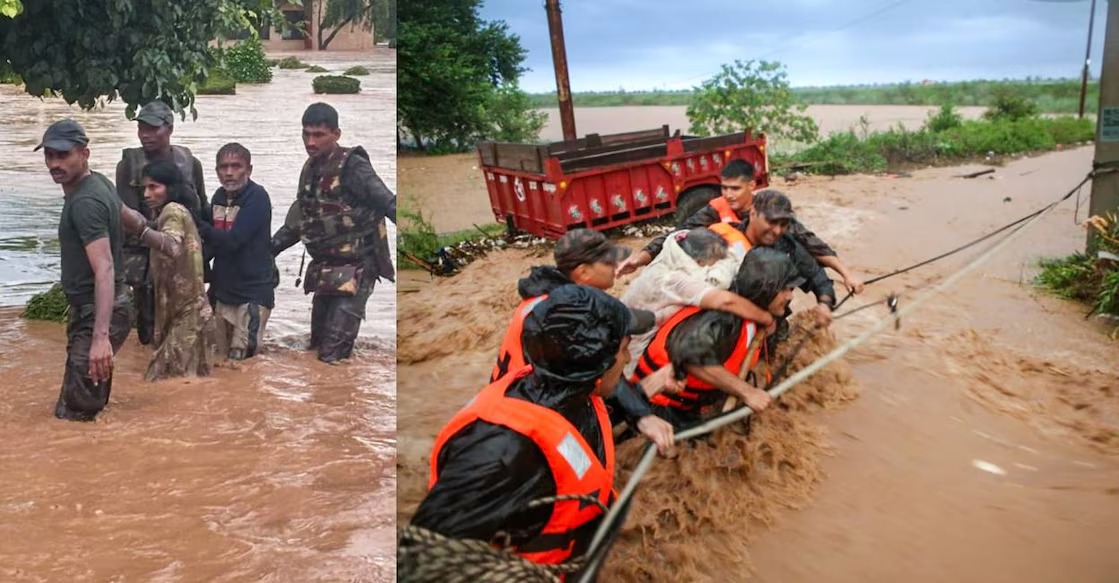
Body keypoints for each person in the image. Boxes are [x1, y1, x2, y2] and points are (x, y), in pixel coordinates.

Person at [407, 284, 674, 576]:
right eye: (623, 350)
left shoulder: (575, 393)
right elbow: (421, 564)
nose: (626, 360)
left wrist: (642, 409)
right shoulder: (501, 454)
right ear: (596, 365)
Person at [615, 159, 865, 295]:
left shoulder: (772, 213)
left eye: (735, 188)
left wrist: (846, 274)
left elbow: (812, 243)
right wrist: (642, 258)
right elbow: (678, 235)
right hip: (728, 280)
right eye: (724, 188)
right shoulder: (715, 209)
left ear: (751, 186)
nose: (729, 194)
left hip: (765, 280)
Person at [270, 103, 396, 363]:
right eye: (306, 134)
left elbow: (389, 203)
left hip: (358, 267)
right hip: (326, 269)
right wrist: (269, 250)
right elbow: (300, 222)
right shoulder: (310, 169)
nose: (310, 142)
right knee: (315, 347)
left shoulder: (353, 166)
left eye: (318, 135)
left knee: (332, 357)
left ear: (336, 134)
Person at [631, 247, 805, 430]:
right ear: (765, 289)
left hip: (690, 402)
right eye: (784, 289)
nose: (790, 296)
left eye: (791, 288)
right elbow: (691, 357)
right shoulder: (723, 318)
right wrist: (747, 392)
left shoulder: (757, 314)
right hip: (659, 406)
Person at [39, 119, 131, 421]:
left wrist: (100, 337)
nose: (54, 163)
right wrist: (160, 240)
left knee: (75, 415)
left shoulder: (85, 202)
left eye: (63, 155)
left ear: (84, 153)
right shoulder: (99, 182)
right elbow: (126, 214)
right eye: (49, 155)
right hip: (104, 307)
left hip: (99, 312)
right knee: (86, 404)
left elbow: (103, 268)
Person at [620, 227, 777, 377]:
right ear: (700, 261)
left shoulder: (677, 248)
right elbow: (725, 301)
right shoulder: (672, 279)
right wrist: (765, 318)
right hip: (630, 347)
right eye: (715, 262)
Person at [115, 101, 209, 346]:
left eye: (152, 129)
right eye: (141, 129)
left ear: (169, 128)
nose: (145, 135)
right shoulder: (128, 166)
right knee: (149, 328)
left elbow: (201, 208)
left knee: (185, 318)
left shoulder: (190, 163)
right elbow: (126, 215)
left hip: (183, 254)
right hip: (143, 254)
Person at [119, 161, 216, 381]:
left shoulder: (172, 211)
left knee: (158, 380)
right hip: (188, 315)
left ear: (170, 188)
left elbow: (171, 245)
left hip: (188, 316)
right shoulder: (170, 214)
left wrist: (139, 228)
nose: (146, 193)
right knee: (187, 385)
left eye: (154, 187)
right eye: (144, 188)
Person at [198, 143, 276, 360]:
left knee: (243, 361)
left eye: (236, 166)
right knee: (219, 359)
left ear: (249, 169)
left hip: (252, 295)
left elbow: (234, 241)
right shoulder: (218, 198)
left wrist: (201, 227)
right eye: (223, 167)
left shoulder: (257, 198)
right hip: (223, 293)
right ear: (216, 171)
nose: (229, 173)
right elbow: (214, 246)